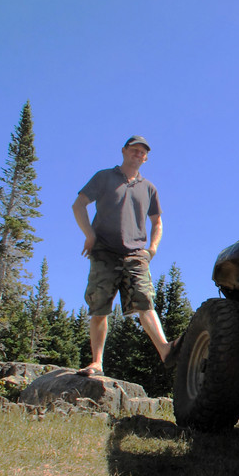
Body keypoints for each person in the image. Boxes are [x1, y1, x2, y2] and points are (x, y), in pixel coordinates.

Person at [72, 135, 181, 376]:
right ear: (124, 151)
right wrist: (89, 234)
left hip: (135, 254)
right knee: (99, 308)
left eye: (143, 152)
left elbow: (158, 222)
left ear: (147, 157)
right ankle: (97, 362)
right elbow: (78, 205)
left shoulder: (149, 188)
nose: (138, 154)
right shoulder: (104, 177)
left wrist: (152, 249)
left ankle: (165, 350)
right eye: (134, 150)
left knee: (145, 300)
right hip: (104, 252)